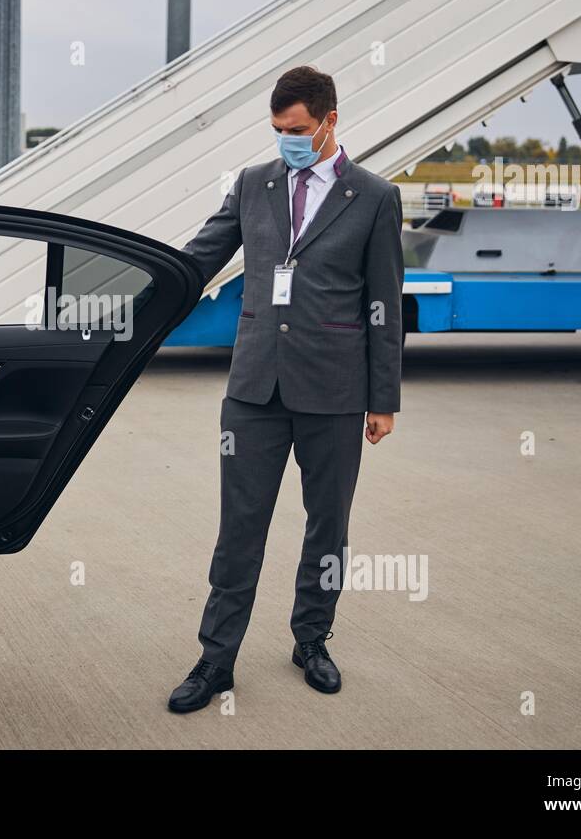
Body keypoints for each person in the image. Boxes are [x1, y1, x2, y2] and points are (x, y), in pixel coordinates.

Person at [169, 65, 403, 711]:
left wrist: (383, 399)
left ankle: (312, 640)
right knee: (239, 527)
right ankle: (216, 661)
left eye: (297, 130)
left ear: (331, 120)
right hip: (254, 387)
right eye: (277, 131)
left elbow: (385, 304)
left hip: (335, 390)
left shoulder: (374, 197)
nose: (286, 141)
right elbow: (198, 258)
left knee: (327, 525)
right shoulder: (253, 185)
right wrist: (138, 287)